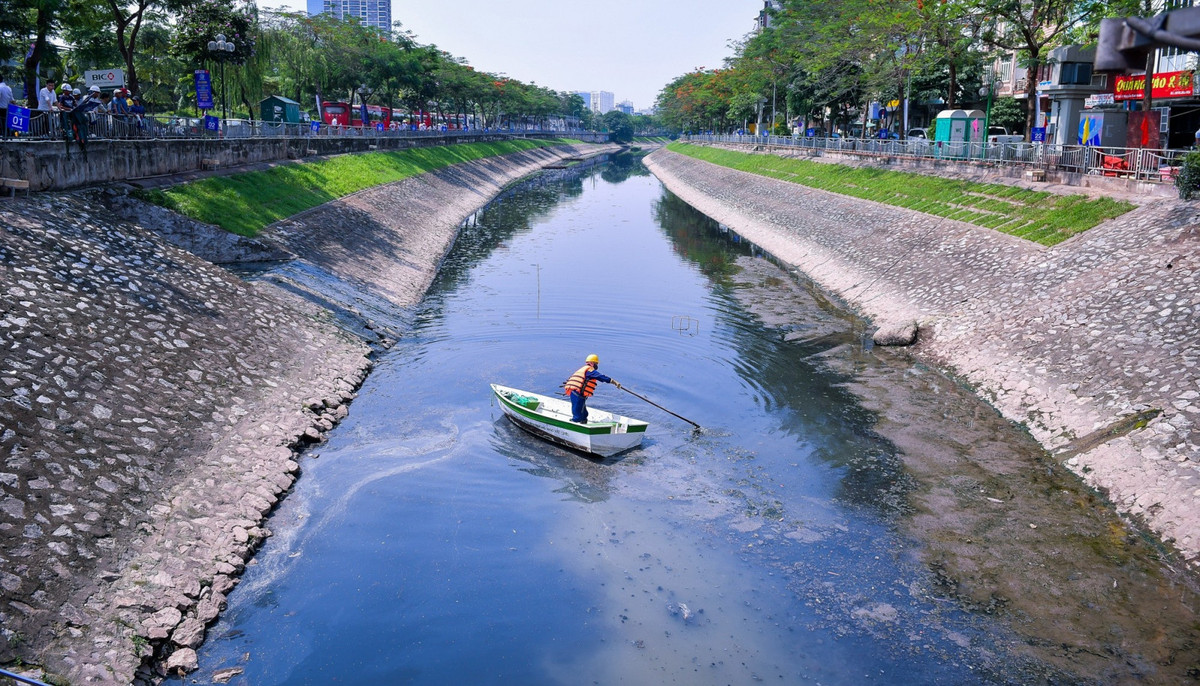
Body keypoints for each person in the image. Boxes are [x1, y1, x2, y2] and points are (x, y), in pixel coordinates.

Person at [563, 354, 621, 424]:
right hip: (577, 394)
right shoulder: (590, 370)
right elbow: (600, 377)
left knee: (583, 412)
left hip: (576, 393)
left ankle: (583, 421)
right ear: (592, 363)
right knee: (577, 412)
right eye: (596, 363)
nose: (597, 365)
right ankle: (575, 424)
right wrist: (612, 381)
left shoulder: (584, 369)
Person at [0, 74, 12, 138]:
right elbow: (12, 100)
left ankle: (3, 135)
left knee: (1, 122)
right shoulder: (8, 88)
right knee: (5, 122)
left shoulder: (0, 87)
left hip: (0, 108)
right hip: (7, 108)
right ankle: (6, 135)